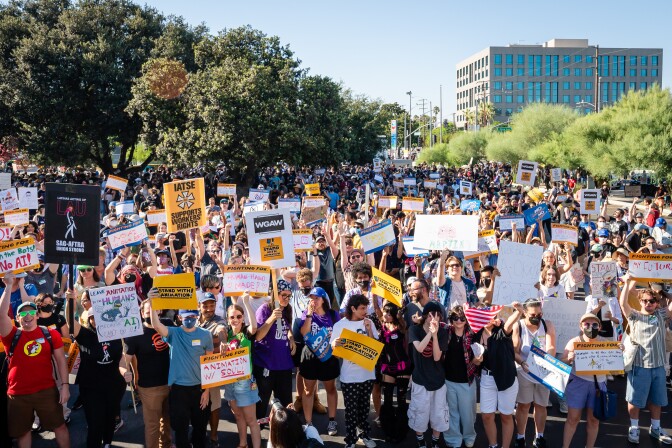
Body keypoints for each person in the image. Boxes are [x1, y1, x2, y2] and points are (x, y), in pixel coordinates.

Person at [0, 274, 70, 448]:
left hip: (46, 390)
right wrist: (9, 286)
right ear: (17, 319)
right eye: (22, 314)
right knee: (23, 432)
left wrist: (66, 387)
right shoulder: (11, 335)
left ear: (37, 315)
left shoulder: (50, 333)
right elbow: (1, 316)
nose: (27, 316)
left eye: (31, 311)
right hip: (18, 394)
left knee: (59, 427)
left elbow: (61, 361)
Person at [149, 290, 214, 448]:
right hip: (179, 391)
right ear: (179, 318)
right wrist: (151, 304)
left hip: (199, 390)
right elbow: (156, 325)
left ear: (197, 316)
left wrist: (207, 391)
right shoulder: (173, 333)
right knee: (181, 431)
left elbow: (209, 365)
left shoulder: (206, 335)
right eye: (186, 317)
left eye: (192, 316)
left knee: (199, 429)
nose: (190, 320)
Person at [65, 295, 130, 448]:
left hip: (114, 386)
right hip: (91, 387)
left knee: (109, 419)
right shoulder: (86, 335)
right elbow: (70, 323)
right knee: (95, 423)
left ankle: (107, 443)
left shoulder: (117, 334)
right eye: (92, 318)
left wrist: (125, 371)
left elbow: (121, 359)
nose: (95, 320)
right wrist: (70, 301)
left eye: (98, 317)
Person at [620, 278, 672, 444]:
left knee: (657, 400)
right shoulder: (634, 315)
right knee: (635, 400)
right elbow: (622, 302)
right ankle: (634, 427)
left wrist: (666, 290)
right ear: (640, 301)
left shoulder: (661, 314)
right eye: (645, 301)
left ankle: (655, 427)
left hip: (658, 366)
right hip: (639, 366)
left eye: (652, 301)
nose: (648, 303)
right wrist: (629, 282)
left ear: (657, 303)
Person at [331, 294, 378, 448]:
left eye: (366, 307)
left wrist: (369, 330)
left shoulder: (369, 322)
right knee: (351, 411)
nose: (366, 311)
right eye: (362, 308)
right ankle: (350, 440)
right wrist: (335, 345)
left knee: (364, 409)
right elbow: (336, 353)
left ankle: (364, 435)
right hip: (349, 377)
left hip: (367, 375)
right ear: (353, 308)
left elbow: (375, 348)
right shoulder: (339, 325)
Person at [124, 299, 173, 448]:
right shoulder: (135, 333)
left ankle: (166, 444)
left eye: (156, 310)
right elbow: (124, 360)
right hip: (149, 387)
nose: (153, 314)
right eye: (148, 311)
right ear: (141, 313)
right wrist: (124, 372)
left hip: (171, 383)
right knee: (153, 426)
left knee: (168, 420)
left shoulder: (168, 324)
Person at [559, 313, 610, 448]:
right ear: (581, 326)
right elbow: (561, 361)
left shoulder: (605, 343)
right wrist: (569, 358)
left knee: (594, 420)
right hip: (578, 383)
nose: (590, 327)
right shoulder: (574, 341)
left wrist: (619, 352)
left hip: (598, 385)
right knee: (573, 418)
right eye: (587, 324)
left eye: (594, 324)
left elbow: (615, 364)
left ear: (599, 327)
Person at [477, 302, 523, 448]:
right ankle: (493, 445)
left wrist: (518, 311)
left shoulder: (501, 331)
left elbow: (509, 324)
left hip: (506, 378)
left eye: (489, 316)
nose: (486, 319)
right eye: (483, 316)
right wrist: (476, 361)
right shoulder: (476, 334)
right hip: (487, 378)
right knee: (486, 415)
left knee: (505, 416)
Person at [512, 300, 556, 448]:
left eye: (539, 314)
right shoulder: (519, 326)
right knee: (523, 406)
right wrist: (522, 363)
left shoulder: (546, 324)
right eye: (533, 314)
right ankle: (520, 436)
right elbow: (515, 351)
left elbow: (551, 346)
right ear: (525, 313)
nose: (536, 317)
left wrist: (547, 359)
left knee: (541, 406)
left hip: (543, 371)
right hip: (525, 371)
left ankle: (539, 436)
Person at [298, 287, 340, 435]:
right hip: (310, 356)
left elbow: (339, 334)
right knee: (308, 390)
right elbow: (304, 333)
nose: (313, 301)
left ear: (324, 299)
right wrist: (309, 315)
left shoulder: (333, 315)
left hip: (328, 356)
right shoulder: (306, 314)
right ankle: (308, 423)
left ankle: (332, 420)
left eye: (316, 298)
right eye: (311, 298)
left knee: (330, 388)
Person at [407, 301, 449, 448]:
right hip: (420, 380)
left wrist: (435, 336)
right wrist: (430, 333)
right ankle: (420, 440)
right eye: (431, 314)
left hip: (438, 380)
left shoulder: (443, 333)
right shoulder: (415, 329)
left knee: (438, 413)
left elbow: (437, 357)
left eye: (438, 315)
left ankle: (435, 441)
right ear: (425, 316)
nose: (435, 318)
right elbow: (419, 348)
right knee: (420, 412)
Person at [254, 279, 296, 421]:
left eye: (289, 296)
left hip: (284, 364)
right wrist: (271, 318)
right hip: (266, 364)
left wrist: (290, 338)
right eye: (283, 295)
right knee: (261, 404)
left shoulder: (288, 309)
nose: (286, 299)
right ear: (275, 294)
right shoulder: (264, 309)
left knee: (285, 406)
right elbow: (258, 336)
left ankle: (284, 434)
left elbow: (287, 328)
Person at [223, 294, 261, 448]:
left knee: (251, 419)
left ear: (243, 317)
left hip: (245, 381)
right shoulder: (227, 334)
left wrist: (245, 302)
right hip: (230, 381)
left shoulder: (246, 332)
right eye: (232, 317)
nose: (235, 319)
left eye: (239, 316)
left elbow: (254, 327)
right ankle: (243, 443)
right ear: (228, 319)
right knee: (238, 415)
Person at [443, 305, 481, 448]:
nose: (458, 321)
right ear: (451, 319)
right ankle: (453, 439)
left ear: (467, 319)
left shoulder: (473, 334)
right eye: (455, 318)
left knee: (468, 413)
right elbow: (431, 323)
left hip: (467, 380)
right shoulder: (446, 331)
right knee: (451, 412)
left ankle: (469, 436)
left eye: (462, 318)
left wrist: (477, 360)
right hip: (448, 380)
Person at [196, 292, 228, 447]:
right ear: (199, 306)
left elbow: (221, 330)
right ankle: (198, 433)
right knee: (198, 406)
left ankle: (214, 437)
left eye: (212, 305)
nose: (209, 309)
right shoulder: (193, 321)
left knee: (214, 406)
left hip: (212, 370)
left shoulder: (219, 320)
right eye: (205, 305)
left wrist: (223, 341)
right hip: (195, 371)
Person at [378, 302, 411, 444]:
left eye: (389, 313)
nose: (386, 315)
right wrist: (374, 294)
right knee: (388, 399)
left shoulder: (402, 327)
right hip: (387, 366)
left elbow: (407, 345)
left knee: (402, 399)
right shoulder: (381, 327)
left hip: (403, 366)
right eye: (385, 312)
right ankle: (389, 430)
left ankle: (401, 431)